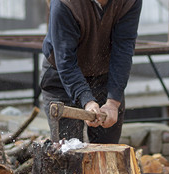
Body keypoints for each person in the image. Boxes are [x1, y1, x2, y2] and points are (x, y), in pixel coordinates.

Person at [41, 0, 142, 143]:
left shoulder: (129, 2)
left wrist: (113, 102)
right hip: (62, 78)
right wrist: (87, 100)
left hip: (103, 74)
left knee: (107, 150)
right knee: (69, 150)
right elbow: (66, 61)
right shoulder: (65, 3)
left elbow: (123, 49)